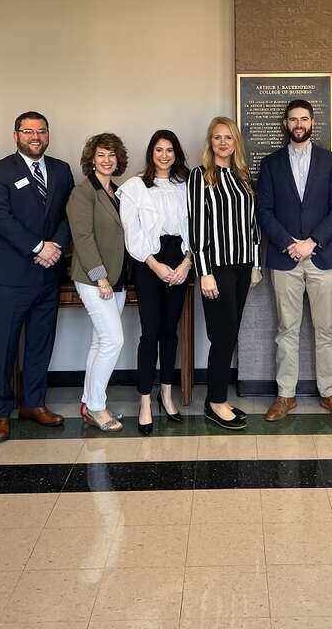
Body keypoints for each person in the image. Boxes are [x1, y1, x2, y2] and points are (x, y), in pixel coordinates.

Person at [257, 99, 332, 423]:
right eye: (294, 119)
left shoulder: (330, 161)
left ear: (313, 123)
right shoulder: (270, 164)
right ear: (286, 123)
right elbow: (264, 212)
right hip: (285, 260)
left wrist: (312, 242)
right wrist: (289, 244)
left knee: (327, 329)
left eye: (305, 119)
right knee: (286, 329)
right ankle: (285, 395)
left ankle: (330, 393)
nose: (299, 124)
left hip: (322, 256)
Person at [0, 111, 75, 443]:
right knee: (4, 346)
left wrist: (56, 247)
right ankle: (0, 413)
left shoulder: (62, 170)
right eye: (28, 131)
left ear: (48, 135)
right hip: (10, 276)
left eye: (41, 131)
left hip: (48, 274)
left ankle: (34, 404)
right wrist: (37, 246)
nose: (35, 136)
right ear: (16, 136)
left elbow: (70, 214)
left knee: (40, 343)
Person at [187, 117, 260, 430]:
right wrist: (204, 272)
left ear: (236, 142)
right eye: (217, 137)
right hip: (216, 268)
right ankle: (216, 402)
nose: (222, 142)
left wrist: (255, 264)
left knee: (229, 334)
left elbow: (252, 225)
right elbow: (196, 227)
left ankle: (217, 399)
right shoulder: (201, 176)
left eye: (228, 137)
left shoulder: (243, 176)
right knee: (223, 335)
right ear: (210, 142)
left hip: (243, 266)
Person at [120, 130, 192, 434]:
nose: (164, 155)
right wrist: (154, 264)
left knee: (169, 331)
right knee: (150, 332)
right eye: (159, 149)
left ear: (176, 153)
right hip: (148, 261)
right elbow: (130, 233)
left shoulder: (187, 185)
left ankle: (166, 393)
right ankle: (146, 400)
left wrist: (188, 263)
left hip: (181, 259)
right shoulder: (135, 187)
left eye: (170, 150)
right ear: (151, 153)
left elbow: (199, 226)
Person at [67, 133, 129, 433]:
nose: (107, 160)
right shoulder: (83, 192)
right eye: (101, 155)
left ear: (118, 160)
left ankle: (86, 401)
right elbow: (82, 238)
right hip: (95, 279)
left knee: (99, 341)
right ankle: (96, 407)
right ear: (92, 159)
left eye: (112, 155)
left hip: (117, 278)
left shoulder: (117, 192)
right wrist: (100, 277)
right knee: (113, 340)